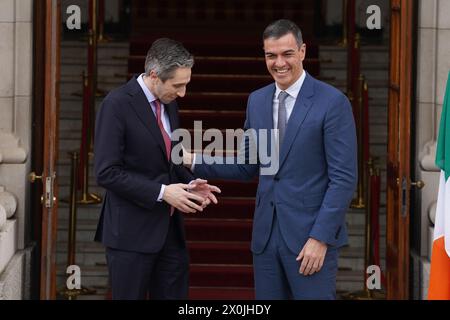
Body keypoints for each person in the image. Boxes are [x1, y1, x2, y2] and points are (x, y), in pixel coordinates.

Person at [184, 19, 357, 299]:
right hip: (265, 241)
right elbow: (247, 165)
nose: (279, 63)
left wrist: (320, 238)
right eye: (271, 55)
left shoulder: (332, 102)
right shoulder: (257, 100)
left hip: (309, 242)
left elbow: (344, 179)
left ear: (302, 51)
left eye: (287, 54)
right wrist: (193, 160)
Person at [94, 38, 220, 300]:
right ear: (154, 75)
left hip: (170, 235)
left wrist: (191, 182)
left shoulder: (170, 102)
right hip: (129, 235)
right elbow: (106, 172)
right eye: (178, 85)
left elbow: (172, 159)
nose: (183, 93)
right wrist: (163, 192)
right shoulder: (116, 104)